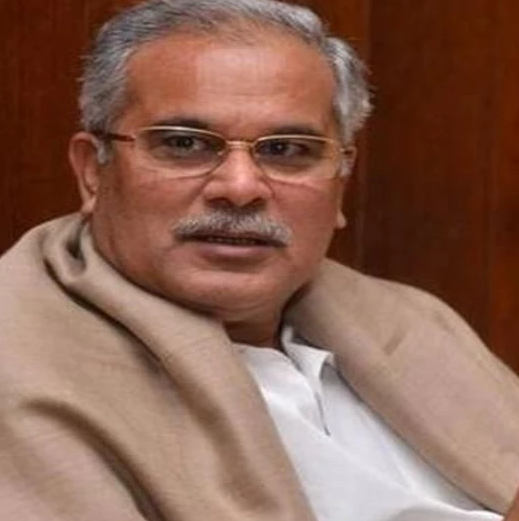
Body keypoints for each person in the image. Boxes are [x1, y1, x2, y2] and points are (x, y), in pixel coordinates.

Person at [1, 0, 518, 519]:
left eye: (286, 150)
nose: (240, 187)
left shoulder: (413, 321)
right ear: (93, 172)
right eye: (185, 143)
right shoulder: (19, 362)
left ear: (340, 183)